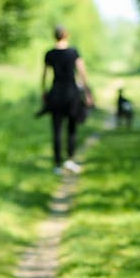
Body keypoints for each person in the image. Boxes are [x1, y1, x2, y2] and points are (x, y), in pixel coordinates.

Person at [40, 25, 93, 174]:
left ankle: (57, 164)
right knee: (71, 128)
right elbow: (82, 73)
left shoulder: (49, 54)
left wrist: (44, 91)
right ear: (66, 35)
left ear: (54, 36)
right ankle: (69, 160)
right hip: (71, 93)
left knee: (56, 129)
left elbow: (44, 75)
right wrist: (87, 92)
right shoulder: (73, 52)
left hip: (56, 92)